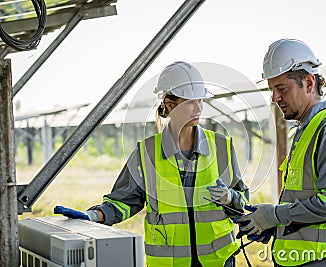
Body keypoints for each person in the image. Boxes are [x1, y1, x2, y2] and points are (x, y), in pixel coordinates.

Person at [55, 61, 249, 267]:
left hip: (218, 260)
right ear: (170, 104)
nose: (199, 107)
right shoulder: (146, 153)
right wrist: (93, 215)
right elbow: (125, 201)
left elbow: (242, 200)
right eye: (191, 101)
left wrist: (230, 198)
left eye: (201, 100)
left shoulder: (221, 146)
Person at [235, 39, 326, 266]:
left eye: (281, 89)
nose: (274, 98)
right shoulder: (306, 132)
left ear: (308, 82)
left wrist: (275, 215)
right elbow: (305, 206)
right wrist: (277, 226)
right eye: (271, 90)